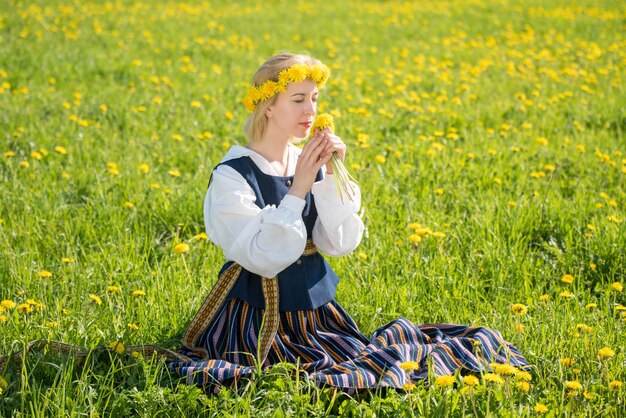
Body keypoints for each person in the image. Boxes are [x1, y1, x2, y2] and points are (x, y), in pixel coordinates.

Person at [167, 52, 528, 392]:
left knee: (369, 361)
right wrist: (301, 187)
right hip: (255, 315)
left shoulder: (306, 160)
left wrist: (330, 174)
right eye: (298, 100)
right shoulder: (233, 176)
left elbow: (338, 243)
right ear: (268, 107)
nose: (311, 110)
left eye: (315, 98)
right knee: (296, 375)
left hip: (317, 312)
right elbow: (263, 257)